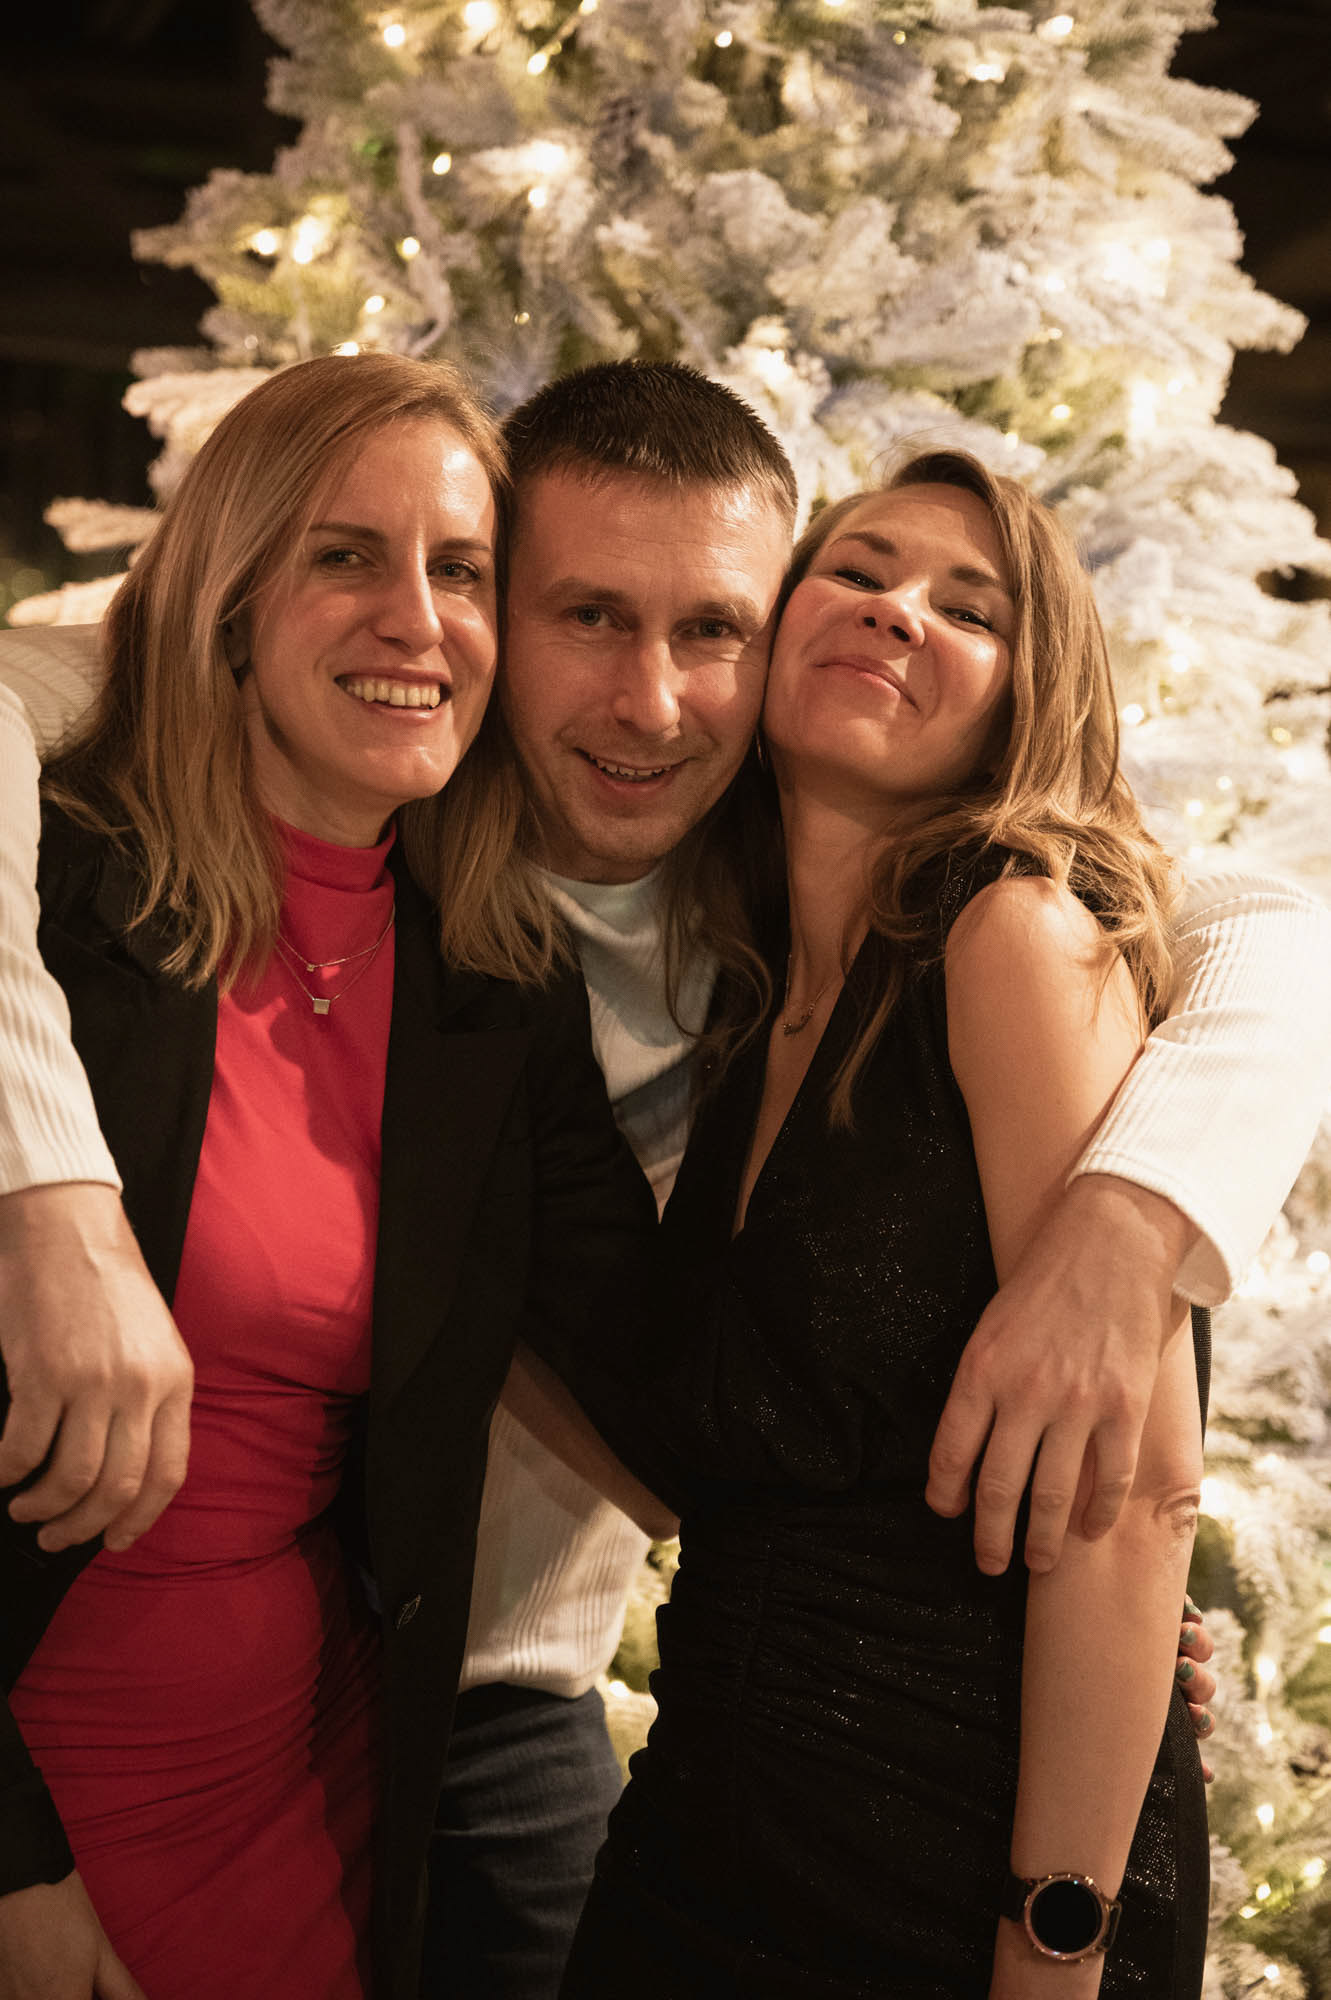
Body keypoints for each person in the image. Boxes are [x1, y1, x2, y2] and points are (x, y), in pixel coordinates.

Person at [0, 363, 1325, 1988]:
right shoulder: (391, 808)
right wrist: (46, 1192)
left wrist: (1134, 1220)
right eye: (586, 617)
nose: (650, 704)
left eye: (712, 631)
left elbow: (1266, 921)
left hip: (545, 1704)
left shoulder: (848, 891)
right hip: (288, 1687)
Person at [0, 351, 657, 2000]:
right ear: (231, 597)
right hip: (45, 1801)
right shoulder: (57, 900)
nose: (416, 620)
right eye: (345, 556)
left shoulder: (485, 980)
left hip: (308, 1810)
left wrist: (1036, 1577)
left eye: (462, 572)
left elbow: (668, 1365)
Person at [536, 451, 1213, 1996]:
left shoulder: (1015, 937)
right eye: (859, 570)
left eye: (969, 608)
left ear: (1029, 697)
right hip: (705, 1828)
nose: (897, 610)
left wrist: (1055, 1937)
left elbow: (1136, 1502)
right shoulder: (749, 999)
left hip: (967, 1866)